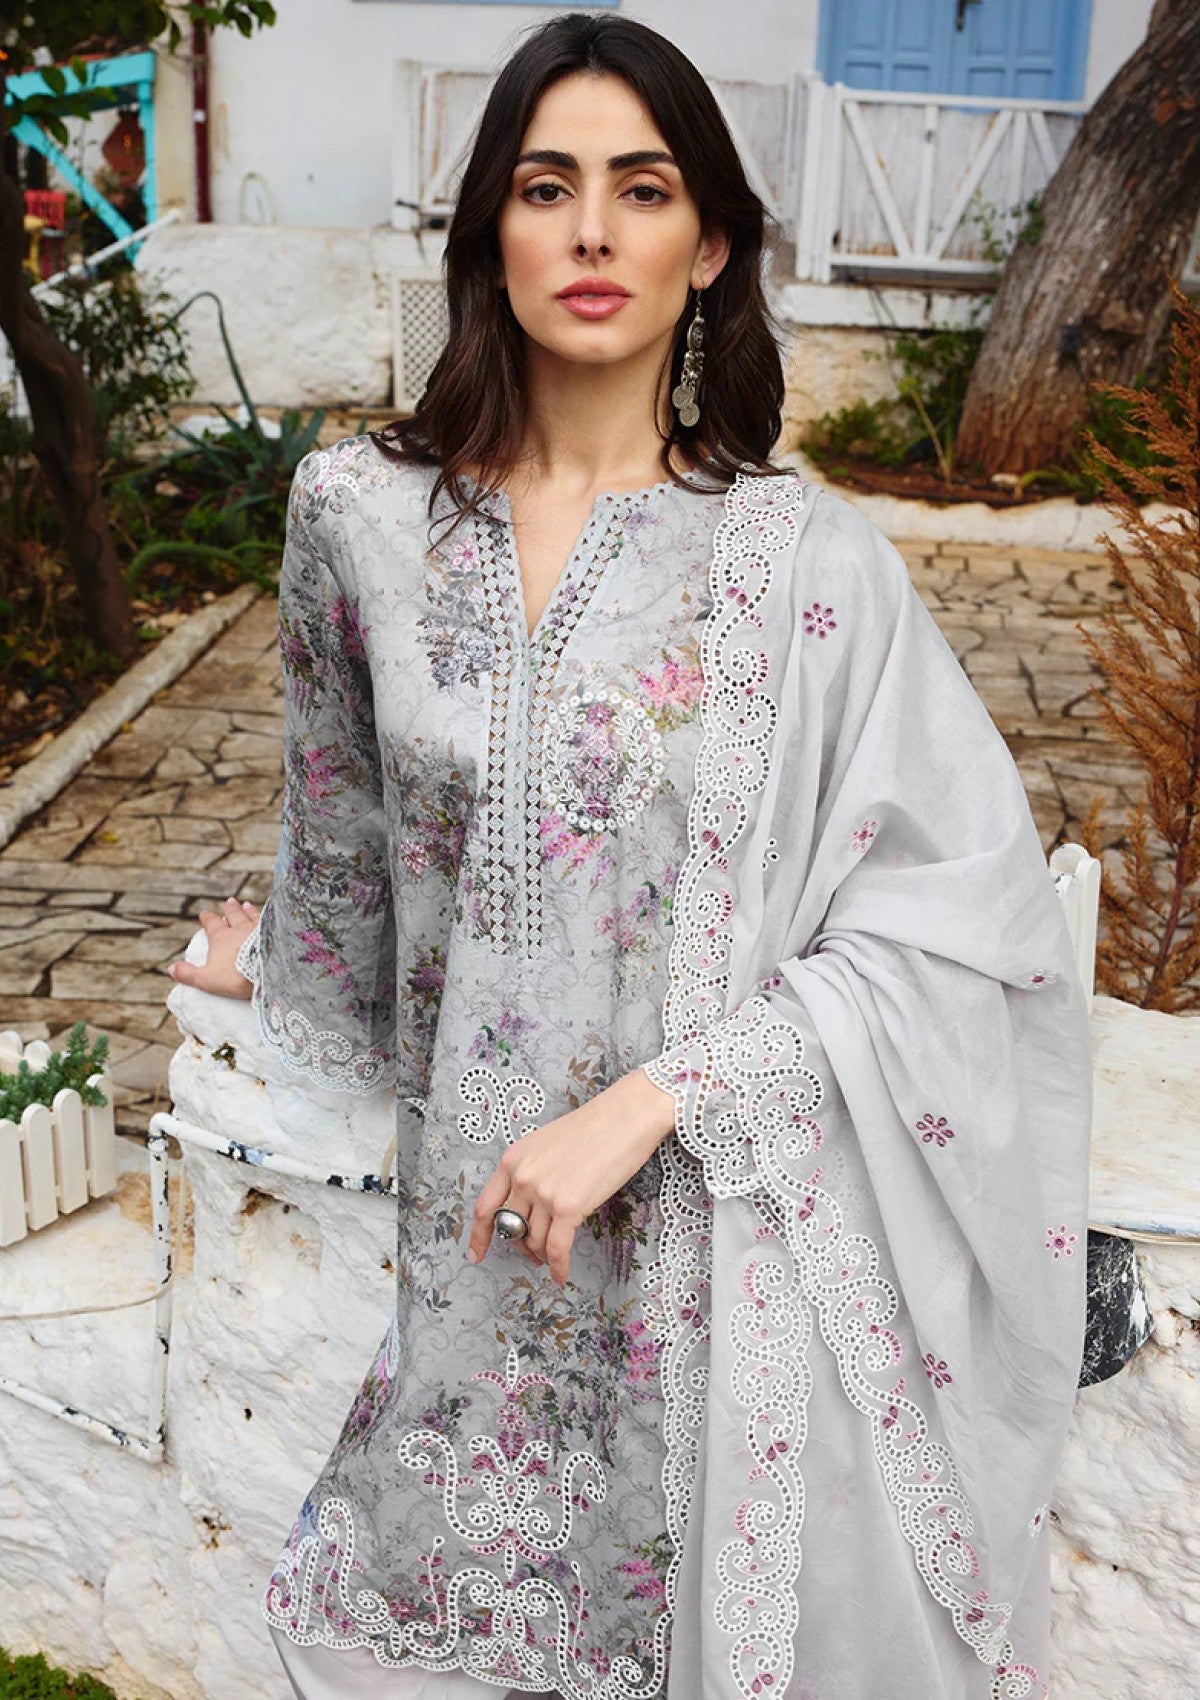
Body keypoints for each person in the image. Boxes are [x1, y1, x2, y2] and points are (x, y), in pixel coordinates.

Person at [166, 13, 1091, 1699]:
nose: (592, 232)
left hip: (705, 1260)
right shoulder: (354, 517)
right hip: (465, 1269)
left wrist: (655, 1098)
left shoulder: (805, 565)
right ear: (490, 234)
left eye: (642, 189)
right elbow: (348, 840)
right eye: (546, 187)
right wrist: (272, 965)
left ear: (709, 244)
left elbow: (969, 927)